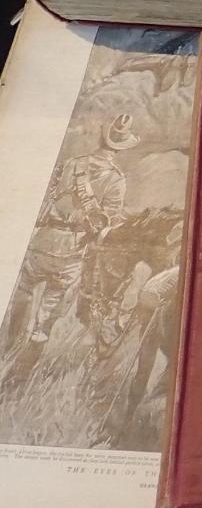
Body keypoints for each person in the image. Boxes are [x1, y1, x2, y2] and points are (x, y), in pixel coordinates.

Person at [5, 114, 133, 351]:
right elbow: (106, 221)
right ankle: (32, 348)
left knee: (22, 292)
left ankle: (6, 346)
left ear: (101, 137)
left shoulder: (71, 164)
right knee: (50, 311)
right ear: (121, 148)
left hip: (43, 241)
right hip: (72, 252)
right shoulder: (117, 180)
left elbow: (45, 196)